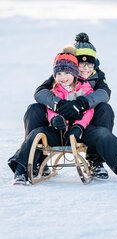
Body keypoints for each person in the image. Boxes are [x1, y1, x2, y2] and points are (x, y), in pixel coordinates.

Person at [24, 32, 114, 180]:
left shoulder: (97, 75)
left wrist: (82, 103)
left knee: (105, 108)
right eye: (79, 64)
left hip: (86, 124)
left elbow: (104, 94)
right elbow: (40, 93)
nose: (84, 69)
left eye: (89, 64)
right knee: (34, 109)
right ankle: (37, 159)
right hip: (61, 125)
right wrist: (58, 104)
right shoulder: (63, 74)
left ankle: (95, 160)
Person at [8, 48, 95, 185]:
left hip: (76, 134)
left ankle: (96, 162)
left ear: (74, 73)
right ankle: (21, 170)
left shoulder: (84, 89)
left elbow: (89, 112)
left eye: (66, 72)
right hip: (57, 133)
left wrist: (79, 126)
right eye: (58, 73)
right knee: (36, 133)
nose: (62, 76)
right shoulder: (54, 90)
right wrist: (53, 119)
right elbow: (50, 109)